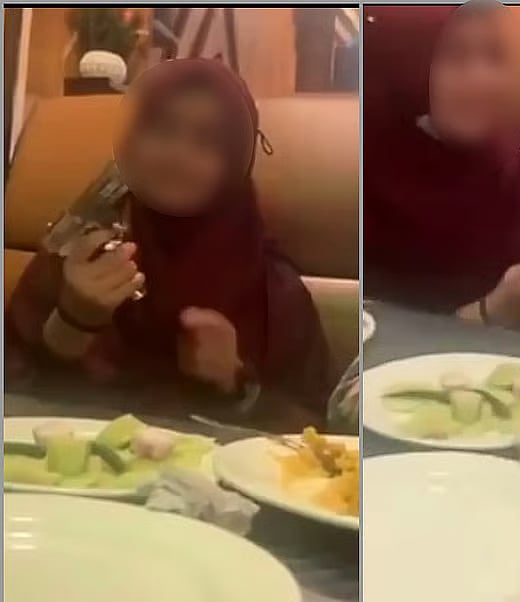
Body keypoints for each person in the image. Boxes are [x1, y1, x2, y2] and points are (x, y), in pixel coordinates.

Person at [5, 58, 334, 430]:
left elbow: (319, 430)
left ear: (236, 162)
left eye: (207, 142)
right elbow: (14, 402)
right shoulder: (77, 251)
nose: (177, 156)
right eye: (161, 130)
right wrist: (71, 323)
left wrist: (236, 383)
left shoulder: (271, 289)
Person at [363, 3, 520, 333]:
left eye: (495, 57)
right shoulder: (371, 180)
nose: (481, 79)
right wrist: (488, 313)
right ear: (413, 63)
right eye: (455, 57)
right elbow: (371, 329)